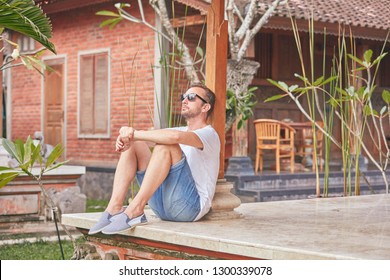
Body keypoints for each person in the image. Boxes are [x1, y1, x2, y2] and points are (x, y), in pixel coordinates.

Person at [89, 83, 220, 234]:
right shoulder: (178, 130)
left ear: (205, 107)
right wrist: (126, 136)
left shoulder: (209, 134)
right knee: (136, 144)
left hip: (189, 208)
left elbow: (174, 138)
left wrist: (133, 133)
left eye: (191, 97)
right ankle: (114, 208)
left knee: (167, 145)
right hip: (161, 205)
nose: (184, 100)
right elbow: (151, 137)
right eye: (183, 97)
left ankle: (135, 210)